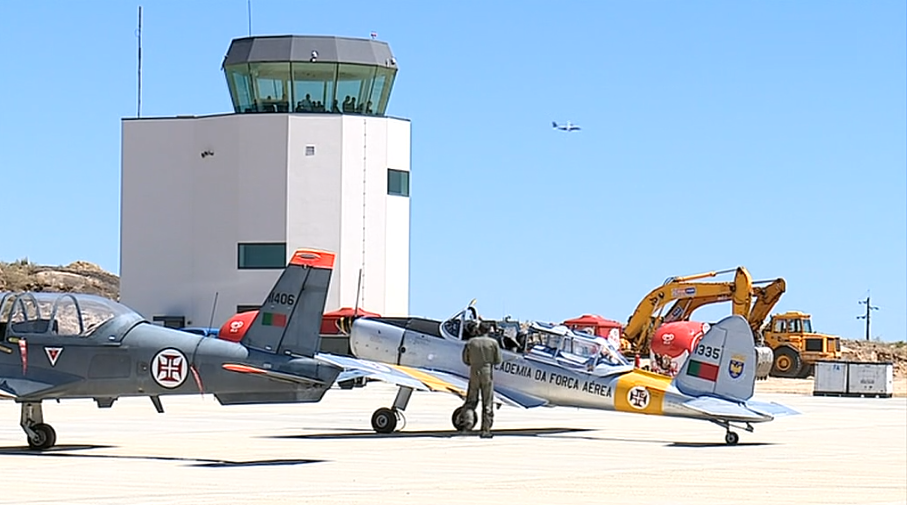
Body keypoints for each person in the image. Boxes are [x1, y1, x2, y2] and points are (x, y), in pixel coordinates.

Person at [460, 320, 502, 438]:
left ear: (479, 329)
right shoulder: (493, 343)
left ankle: (467, 426)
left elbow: (465, 360)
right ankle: (485, 430)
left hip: (474, 371)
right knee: (487, 401)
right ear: (488, 331)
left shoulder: (471, 342)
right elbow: (498, 360)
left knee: (471, 400)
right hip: (487, 372)